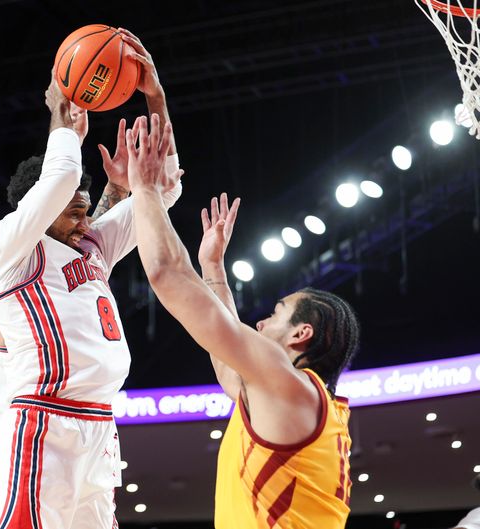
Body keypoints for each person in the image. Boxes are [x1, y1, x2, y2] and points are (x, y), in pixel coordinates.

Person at [0, 32, 182, 529]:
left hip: (98, 429)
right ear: (36, 210)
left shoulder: (89, 247)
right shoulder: (5, 252)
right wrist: (61, 119)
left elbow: (163, 190)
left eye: (89, 214)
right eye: (75, 216)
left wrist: (156, 97)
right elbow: (61, 178)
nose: (86, 224)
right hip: (41, 425)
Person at [126, 116, 360, 529]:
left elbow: (166, 273)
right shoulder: (295, 398)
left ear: (301, 334)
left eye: (276, 314)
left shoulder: (292, 387)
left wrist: (145, 189)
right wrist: (213, 268)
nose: (260, 323)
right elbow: (225, 360)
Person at [0, 142, 133, 466]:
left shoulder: (37, 288)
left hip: (82, 438)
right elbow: (50, 229)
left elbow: (80, 243)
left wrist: (116, 190)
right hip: (40, 445)